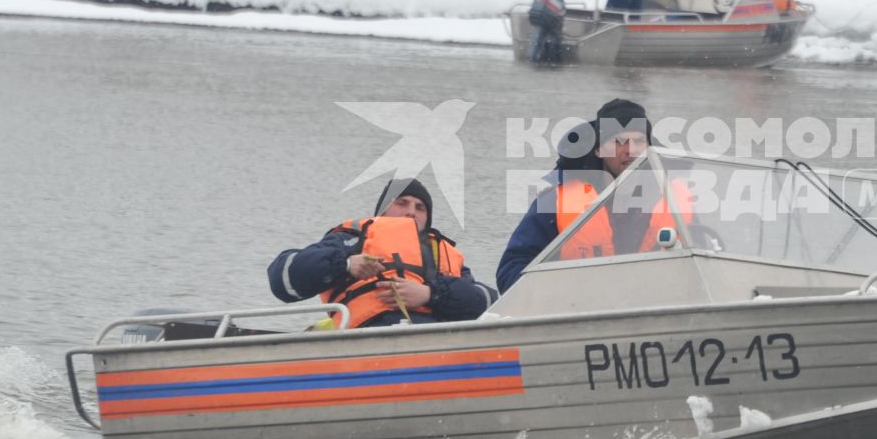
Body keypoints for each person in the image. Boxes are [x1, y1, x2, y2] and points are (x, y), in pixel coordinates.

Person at [495, 98, 691, 291]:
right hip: (577, 308)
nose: (631, 150)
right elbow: (511, 270)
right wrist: (556, 292)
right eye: (619, 141)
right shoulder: (555, 203)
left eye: (639, 141)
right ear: (598, 150)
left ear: (650, 149)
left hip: (653, 305)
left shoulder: (674, 201)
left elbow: (708, 257)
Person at [267, 178, 495, 327]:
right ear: (383, 209)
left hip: (431, 340)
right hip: (366, 338)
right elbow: (283, 277)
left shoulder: (442, 252)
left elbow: (489, 302)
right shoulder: (353, 239)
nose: (411, 213)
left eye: (420, 207)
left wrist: (429, 294)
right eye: (402, 203)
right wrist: (346, 264)